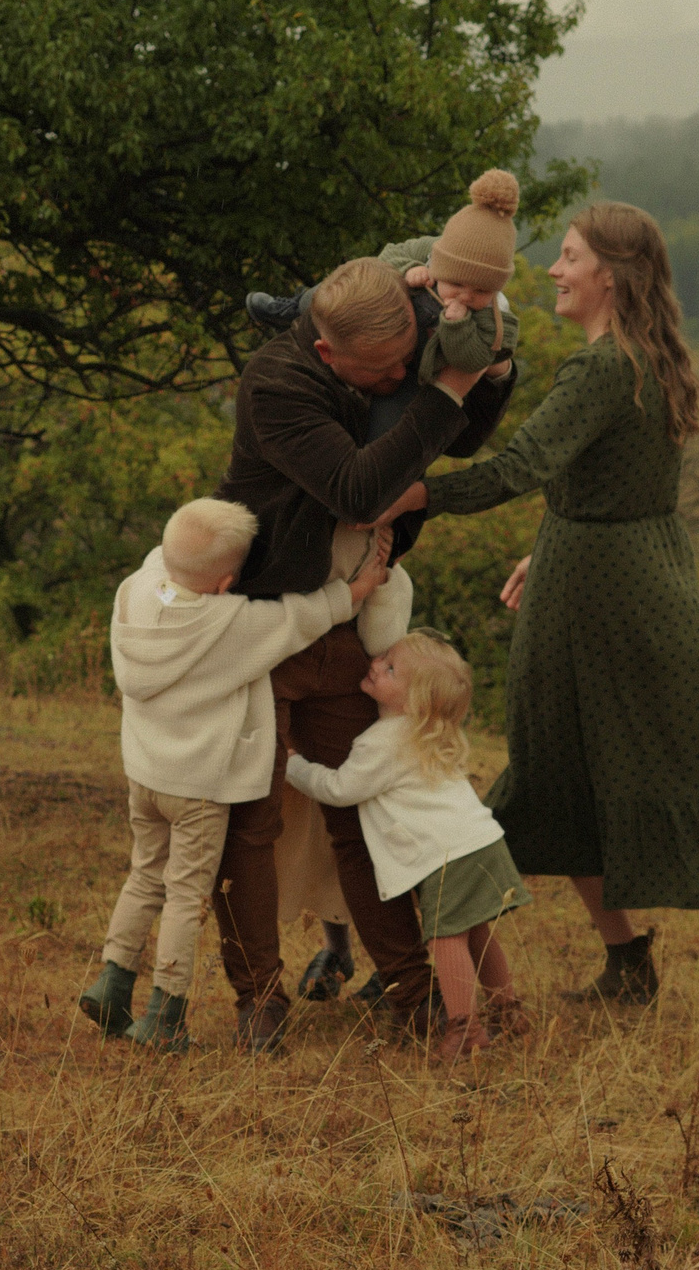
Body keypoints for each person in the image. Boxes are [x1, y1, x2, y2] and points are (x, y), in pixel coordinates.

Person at [368, 202, 699, 1025]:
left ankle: (688, 942)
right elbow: (616, 484)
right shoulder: (655, 357)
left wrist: (414, 492)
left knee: (559, 764)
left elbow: (520, 465)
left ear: (609, 277)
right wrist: (551, 544)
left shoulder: (597, 369)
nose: (553, 269)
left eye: (570, 257)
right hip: (645, 569)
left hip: (592, 594)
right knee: (648, 759)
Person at [213, 252, 516, 1051]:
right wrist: (443, 391)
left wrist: (486, 369)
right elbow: (358, 489)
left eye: (401, 369)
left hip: (348, 627)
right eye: (379, 373)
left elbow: (453, 438)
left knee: (358, 814)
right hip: (267, 621)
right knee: (250, 820)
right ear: (326, 353)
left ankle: (417, 995)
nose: (392, 384)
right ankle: (258, 1000)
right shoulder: (276, 387)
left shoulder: (391, 337)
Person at [78, 499, 396, 1052]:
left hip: (146, 777)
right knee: (185, 896)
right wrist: (362, 585)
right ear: (228, 582)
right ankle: (165, 1014)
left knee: (145, 874)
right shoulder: (232, 623)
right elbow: (304, 616)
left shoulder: (136, 590)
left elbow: (167, 558)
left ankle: (113, 980)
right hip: (200, 789)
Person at [284, 632, 530, 1060]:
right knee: (476, 933)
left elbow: (341, 789)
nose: (376, 664)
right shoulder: (429, 734)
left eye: (391, 669)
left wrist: (293, 765)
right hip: (482, 844)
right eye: (385, 658)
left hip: (448, 856)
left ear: (413, 701)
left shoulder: (383, 741)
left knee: (445, 938)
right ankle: (506, 1010)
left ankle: (464, 1029)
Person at [247, 168, 522, 388]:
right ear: (440, 261)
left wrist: (458, 325)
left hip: (415, 372)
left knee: (385, 422)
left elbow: (473, 360)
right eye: (457, 284)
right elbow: (388, 255)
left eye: (481, 290)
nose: (466, 296)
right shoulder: (433, 252)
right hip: (381, 322)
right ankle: (290, 309)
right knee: (339, 288)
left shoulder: (497, 315)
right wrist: (408, 269)